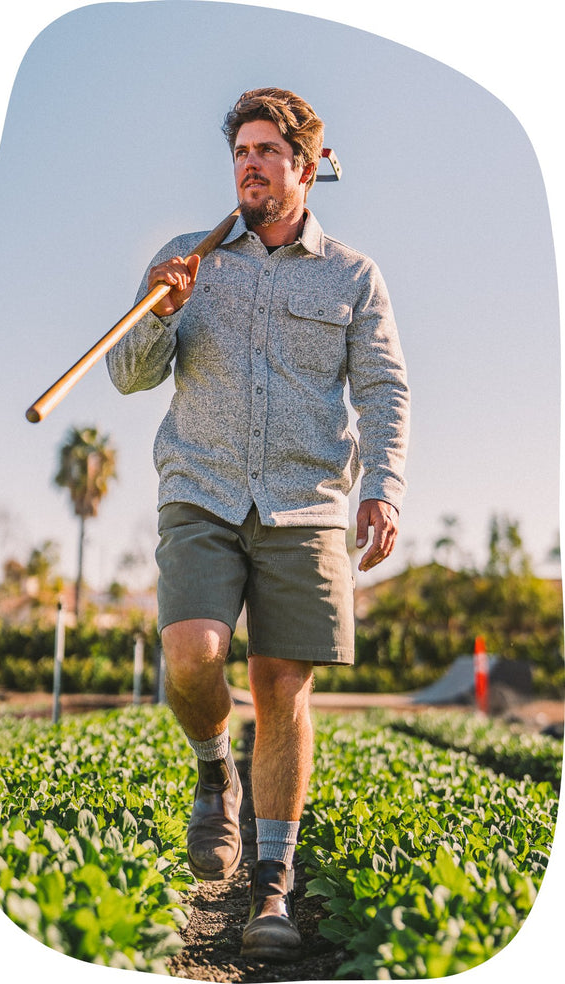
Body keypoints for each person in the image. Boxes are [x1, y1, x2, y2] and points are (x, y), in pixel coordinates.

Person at [106, 87, 410, 963]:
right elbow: (129, 375)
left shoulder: (353, 276)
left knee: (283, 690)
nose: (249, 162)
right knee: (191, 657)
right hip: (200, 490)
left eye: (268, 150)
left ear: (305, 168)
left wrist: (382, 487)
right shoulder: (184, 259)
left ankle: (271, 889)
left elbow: (385, 389)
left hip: (306, 503)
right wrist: (161, 314)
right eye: (241, 149)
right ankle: (213, 766)